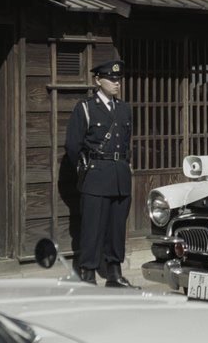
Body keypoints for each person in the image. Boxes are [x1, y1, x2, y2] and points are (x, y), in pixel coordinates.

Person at [64, 59, 136, 288]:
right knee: (92, 228)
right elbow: (73, 146)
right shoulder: (85, 108)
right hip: (96, 175)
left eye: (119, 79)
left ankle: (114, 272)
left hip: (120, 175)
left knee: (117, 228)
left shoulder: (124, 109)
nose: (117, 83)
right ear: (98, 80)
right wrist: (87, 169)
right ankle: (88, 273)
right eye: (112, 79)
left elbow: (127, 143)